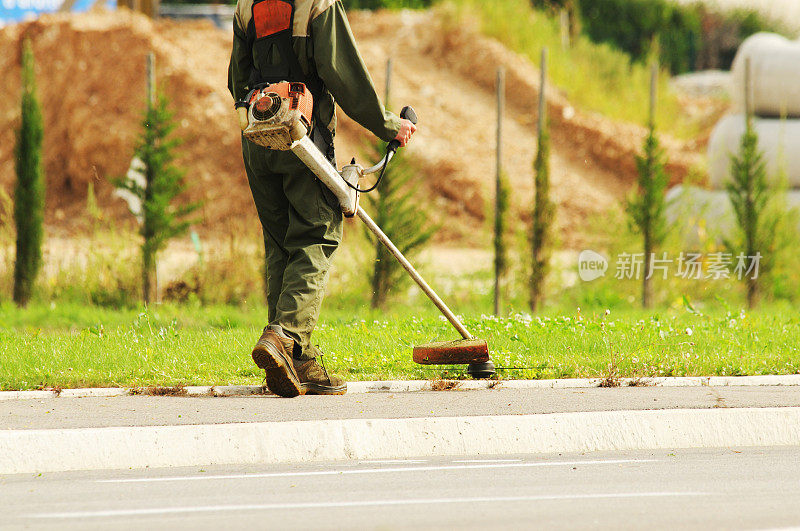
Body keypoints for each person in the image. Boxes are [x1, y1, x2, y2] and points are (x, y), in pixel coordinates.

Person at [227, 0, 416, 397]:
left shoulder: (246, 5)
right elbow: (345, 76)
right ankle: (285, 336)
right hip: (299, 131)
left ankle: (298, 360)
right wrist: (388, 126)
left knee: (281, 244)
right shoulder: (317, 5)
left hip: (258, 135)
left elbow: (237, 81)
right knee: (317, 235)